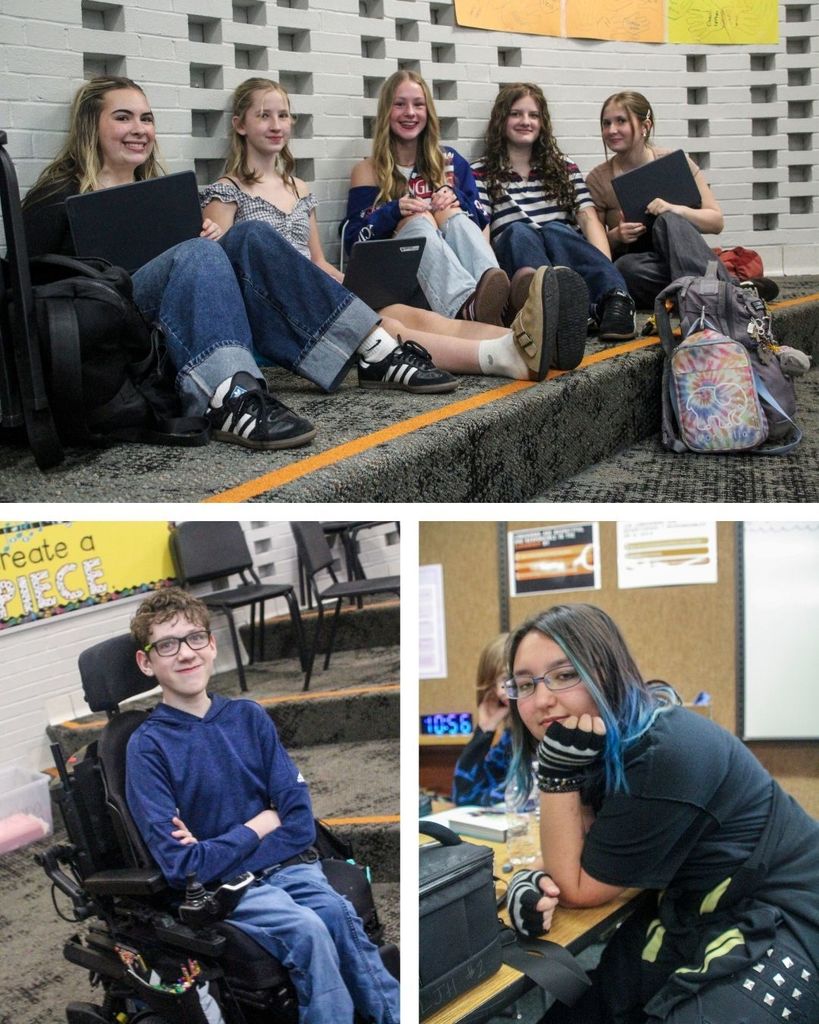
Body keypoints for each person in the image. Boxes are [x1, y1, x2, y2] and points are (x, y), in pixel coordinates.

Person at [20, 77, 455, 452]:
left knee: (248, 235)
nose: (139, 129)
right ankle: (231, 395)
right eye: (123, 117)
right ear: (89, 126)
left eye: (146, 118)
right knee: (200, 251)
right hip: (116, 328)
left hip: (174, 325)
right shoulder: (57, 197)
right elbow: (35, 294)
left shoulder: (163, 195)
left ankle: (372, 350)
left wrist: (200, 240)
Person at [500, 604, 819, 1024]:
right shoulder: (606, 743)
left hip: (786, 912)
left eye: (564, 675)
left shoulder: (663, 752)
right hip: (695, 908)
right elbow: (584, 852)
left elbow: (578, 887)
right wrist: (534, 876)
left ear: (607, 672)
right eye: (524, 685)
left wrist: (557, 776)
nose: (542, 700)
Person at [126, 587, 400, 1024]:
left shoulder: (247, 717)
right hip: (226, 889)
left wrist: (223, 846)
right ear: (147, 662)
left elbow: (297, 824)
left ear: (212, 644)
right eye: (166, 645)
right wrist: (260, 824)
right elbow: (184, 866)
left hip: (289, 865)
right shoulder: (148, 747)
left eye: (196, 638)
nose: (185, 654)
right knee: (307, 931)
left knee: (337, 913)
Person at [201, 77, 562, 383]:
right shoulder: (227, 189)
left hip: (316, 288)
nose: (277, 124)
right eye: (264, 116)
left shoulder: (299, 188)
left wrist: (355, 287)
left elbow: (319, 262)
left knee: (411, 315)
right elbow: (223, 271)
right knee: (387, 327)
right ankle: (499, 357)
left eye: (283, 115)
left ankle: (524, 339)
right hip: (277, 307)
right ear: (240, 125)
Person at [472, 83, 636, 352]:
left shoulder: (564, 167)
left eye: (533, 115)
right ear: (502, 119)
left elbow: (588, 219)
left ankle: (614, 300)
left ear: (542, 122)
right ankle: (556, 310)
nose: (526, 121)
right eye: (516, 114)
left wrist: (606, 269)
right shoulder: (480, 172)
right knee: (518, 231)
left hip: (565, 258)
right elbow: (483, 230)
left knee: (557, 230)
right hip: (519, 262)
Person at [344, 70, 513, 329]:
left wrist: (456, 199)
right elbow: (353, 243)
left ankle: (498, 303)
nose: (410, 112)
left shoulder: (450, 162)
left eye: (418, 104)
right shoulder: (367, 170)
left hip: (455, 274)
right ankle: (473, 305)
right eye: (399, 104)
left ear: (428, 112)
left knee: (451, 214)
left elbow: (481, 223)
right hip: (399, 284)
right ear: (386, 112)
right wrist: (394, 212)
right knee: (419, 218)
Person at [585, 90, 739, 311]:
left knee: (667, 219)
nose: (612, 130)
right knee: (625, 269)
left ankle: (698, 296)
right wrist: (617, 235)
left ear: (645, 126)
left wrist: (676, 210)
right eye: (606, 123)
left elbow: (716, 222)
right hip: (644, 264)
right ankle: (717, 289)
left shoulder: (674, 163)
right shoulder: (598, 178)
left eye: (621, 121)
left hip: (682, 250)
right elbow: (594, 248)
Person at [451, 633, 513, 806]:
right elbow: (465, 796)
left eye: (507, 679)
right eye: (495, 684)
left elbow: (517, 798)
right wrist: (485, 729)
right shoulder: (511, 738)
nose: (500, 692)